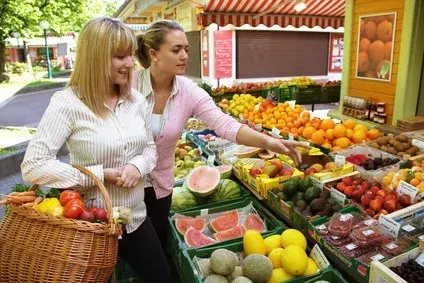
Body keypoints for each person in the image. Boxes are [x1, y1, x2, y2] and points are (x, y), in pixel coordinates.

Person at [132, 20, 308, 248]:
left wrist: (270, 142)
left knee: (156, 249)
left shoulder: (189, 91)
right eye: (176, 50)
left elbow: (226, 125)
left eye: (186, 49)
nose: (184, 56)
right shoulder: (129, 84)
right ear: (154, 54)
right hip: (123, 187)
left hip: (160, 188)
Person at [21, 17, 171, 283]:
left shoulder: (135, 100)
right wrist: (98, 174)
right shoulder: (67, 104)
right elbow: (33, 165)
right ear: (96, 57)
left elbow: (149, 148)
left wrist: (138, 166)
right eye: (120, 56)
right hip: (90, 224)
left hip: (135, 219)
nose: (130, 63)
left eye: (131, 55)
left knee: (161, 277)